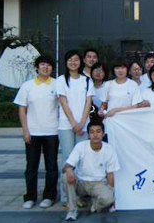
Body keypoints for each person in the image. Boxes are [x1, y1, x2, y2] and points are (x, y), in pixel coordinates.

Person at [14, 55, 59, 209]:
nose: (45, 67)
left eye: (48, 65)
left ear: (52, 68)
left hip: (52, 131)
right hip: (33, 132)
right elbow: (22, 109)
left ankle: (49, 196)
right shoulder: (27, 86)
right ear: (37, 67)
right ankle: (30, 196)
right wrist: (25, 131)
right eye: (42, 65)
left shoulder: (57, 84)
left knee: (51, 167)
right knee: (31, 166)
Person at [57, 50, 96, 205]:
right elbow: (63, 102)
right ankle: (66, 196)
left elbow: (88, 102)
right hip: (66, 125)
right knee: (67, 159)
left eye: (76, 60)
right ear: (66, 62)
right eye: (70, 60)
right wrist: (73, 123)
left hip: (83, 125)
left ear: (81, 62)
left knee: (80, 160)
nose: (73, 62)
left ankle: (78, 195)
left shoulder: (87, 80)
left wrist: (82, 122)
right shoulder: (61, 80)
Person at [62, 121, 120, 221]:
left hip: (98, 184)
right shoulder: (81, 146)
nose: (95, 135)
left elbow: (110, 174)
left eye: (98, 131)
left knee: (109, 198)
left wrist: (111, 192)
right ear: (88, 135)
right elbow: (66, 166)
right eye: (92, 132)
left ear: (103, 134)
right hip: (81, 183)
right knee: (65, 175)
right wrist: (69, 169)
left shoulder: (109, 150)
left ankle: (94, 204)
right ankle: (72, 211)